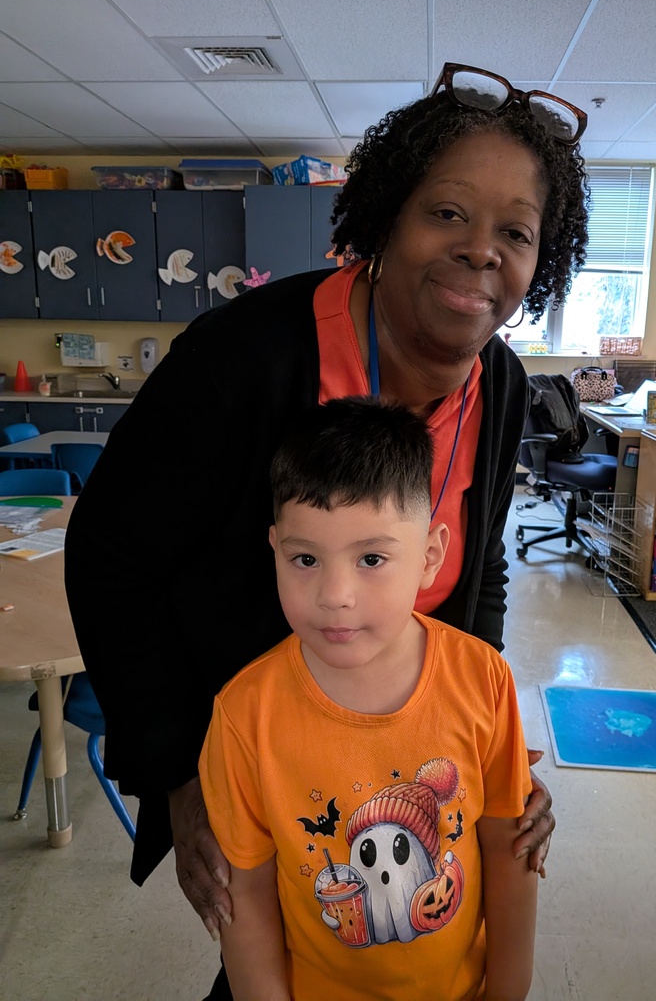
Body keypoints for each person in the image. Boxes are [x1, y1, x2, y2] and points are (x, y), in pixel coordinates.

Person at [64, 61, 589, 998]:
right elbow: (112, 560)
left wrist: (484, 744)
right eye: (447, 213)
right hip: (263, 762)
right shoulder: (242, 359)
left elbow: (481, 573)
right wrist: (181, 772)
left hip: (399, 772)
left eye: (515, 233)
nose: (481, 251)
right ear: (385, 220)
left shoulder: (501, 385)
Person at [199, 396, 537, 1001]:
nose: (335, 594)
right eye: (305, 558)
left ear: (430, 557)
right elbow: (245, 898)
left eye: (372, 558)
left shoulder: (483, 679)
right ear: (274, 549)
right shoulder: (244, 715)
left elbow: (509, 854)